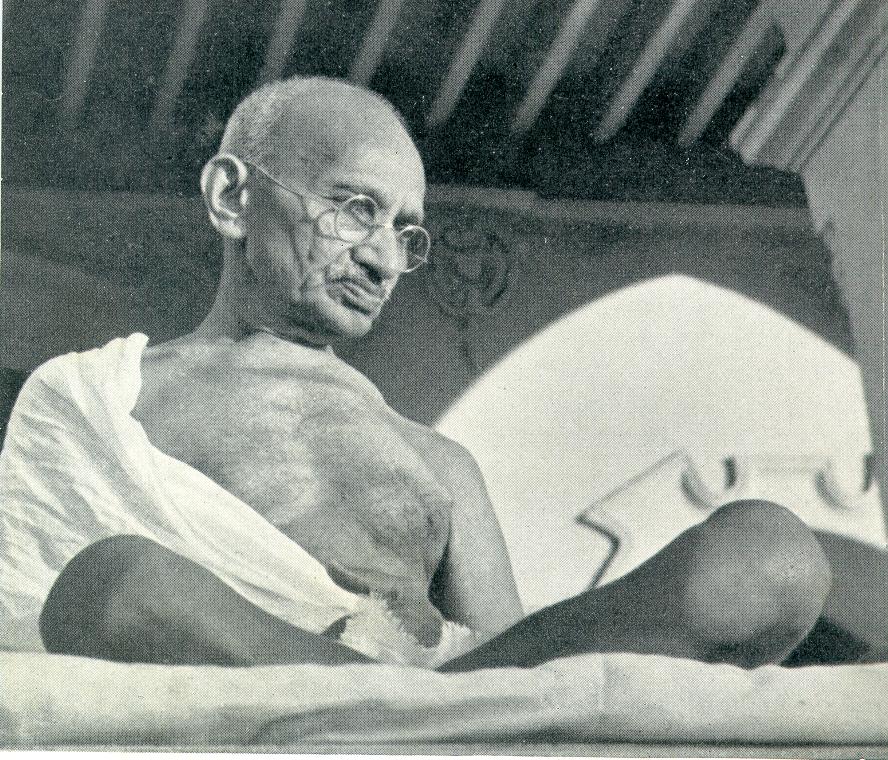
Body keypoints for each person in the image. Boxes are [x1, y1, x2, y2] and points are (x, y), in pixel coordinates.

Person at [1, 76, 831, 672]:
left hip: (451, 693)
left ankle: (401, 718)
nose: (384, 259)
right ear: (232, 198)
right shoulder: (107, 396)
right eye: (356, 207)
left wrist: (455, 697)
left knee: (771, 555)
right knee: (112, 583)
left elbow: (521, 668)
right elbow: (42, 615)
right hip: (246, 666)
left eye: (407, 233)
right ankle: (393, 715)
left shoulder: (438, 462)